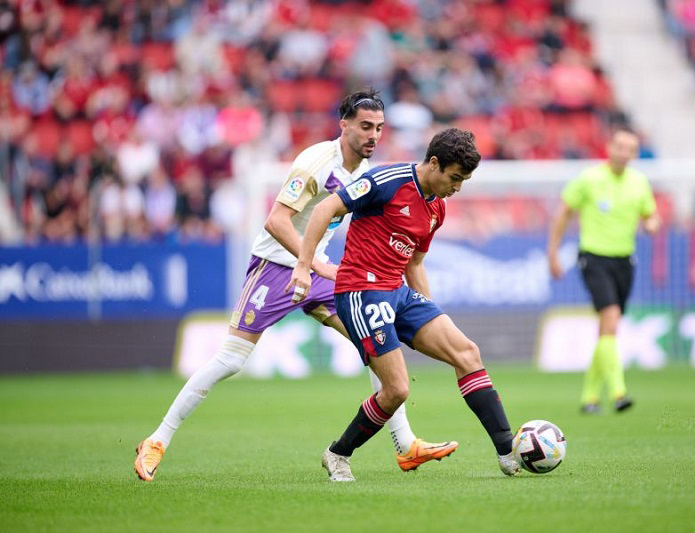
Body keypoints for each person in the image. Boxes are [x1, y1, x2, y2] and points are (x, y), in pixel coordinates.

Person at [134, 89, 458, 482]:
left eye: (379, 128)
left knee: (375, 344)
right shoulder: (317, 162)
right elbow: (276, 220)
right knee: (232, 359)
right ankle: (157, 440)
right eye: (365, 127)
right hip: (276, 266)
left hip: (320, 272)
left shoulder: (367, 172)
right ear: (344, 125)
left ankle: (405, 444)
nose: (373, 135)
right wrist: (311, 263)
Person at [288, 128, 521, 482]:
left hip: (398, 292)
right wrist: (304, 266)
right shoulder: (387, 180)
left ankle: (508, 451)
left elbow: (414, 263)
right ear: (434, 163)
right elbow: (325, 208)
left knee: (467, 353)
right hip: (360, 291)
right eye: (455, 178)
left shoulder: (437, 208)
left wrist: (427, 309)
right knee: (397, 390)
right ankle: (338, 454)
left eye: (464, 181)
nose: (457, 188)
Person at [547, 126, 660, 414]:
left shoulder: (639, 183)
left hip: (625, 261)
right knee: (610, 318)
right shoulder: (589, 178)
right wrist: (553, 253)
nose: (624, 153)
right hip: (594, 258)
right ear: (609, 148)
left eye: (630, 149)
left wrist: (651, 224)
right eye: (619, 147)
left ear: (635, 154)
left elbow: (651, 216)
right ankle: (619, 391)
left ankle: (589, 397)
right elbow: (563, 212)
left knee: (607, 328)